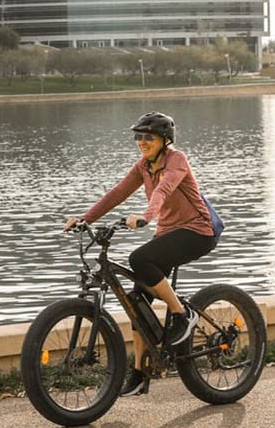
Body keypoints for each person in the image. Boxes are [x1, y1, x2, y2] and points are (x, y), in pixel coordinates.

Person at [65, 112, 221, 395]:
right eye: (138, 136)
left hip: (197, 231)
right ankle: (140, 374)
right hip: (168, 233)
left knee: (139, 259)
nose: (142, 142)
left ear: (165, 140)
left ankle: (181, 314)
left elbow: (163, 191)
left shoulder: (177, 160)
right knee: (137, 302)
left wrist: (146, 216)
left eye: (148, 136)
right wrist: (85, 218)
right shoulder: (143, 166)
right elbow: (117, 194)